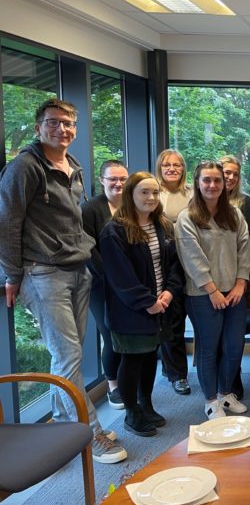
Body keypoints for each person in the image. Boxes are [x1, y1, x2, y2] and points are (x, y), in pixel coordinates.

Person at [0, 98, 126, 463]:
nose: (63, 129)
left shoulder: (73, 165)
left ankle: (60, 425)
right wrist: (12, 275)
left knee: (66, 358)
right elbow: (7, 223)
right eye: (54, 122)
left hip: (77, 270)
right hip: (43, 274)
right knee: (68, 356)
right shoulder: (24, 167)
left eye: (69, 123)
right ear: (39, 126)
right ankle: (91, 435)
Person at [100, 172, 183, 437]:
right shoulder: (114, 230)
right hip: (131, 310)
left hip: (161, 305)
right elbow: (119, 276)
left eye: (155, 193)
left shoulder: (162, 225)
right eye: (144, 192)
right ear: (131, 195)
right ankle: (131, 413)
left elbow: (172, 265)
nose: (151, 197)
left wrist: (169, 293)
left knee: (150, 358)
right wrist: (147, 302)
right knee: (133, 359)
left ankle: (146, 405)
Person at [176, 161, 250, 420]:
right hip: (202, 296)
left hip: (234, 293)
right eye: (206, 180)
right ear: (197, 183)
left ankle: (225, 394)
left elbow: (245, 249)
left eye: (217, 180)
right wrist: (211, 290)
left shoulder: (234, 214)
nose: (212, 185)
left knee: (234, 347)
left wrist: (241, 282)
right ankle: (210, 401)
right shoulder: (188, 218)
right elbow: (191, 258)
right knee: (209, 349)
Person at [82, 159, 128, 410]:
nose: (118, 183)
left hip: (130, 284)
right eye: (112, 179)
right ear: (102, 181)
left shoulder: (132, 206)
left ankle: (127, 381)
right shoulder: (91, 209)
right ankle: (112, 385)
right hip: (101, 284)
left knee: (127, 333)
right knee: (109, 334)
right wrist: (111, 277)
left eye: (122, 178)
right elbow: (88, 248)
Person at [155, 148, 192, 395]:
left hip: (193, 260)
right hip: (168, 264)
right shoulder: (154, 193)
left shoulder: (191, 192)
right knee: (173, 322)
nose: (171, 168)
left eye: (176, 164)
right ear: (160, 167)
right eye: (167, 164)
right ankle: (177, 374)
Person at [220, 154, 250, 399]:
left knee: (234, 333)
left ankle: (234, 376)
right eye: (226, 173)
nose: (230, 177)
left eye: (234, 173)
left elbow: (249, 242)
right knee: (215, 334)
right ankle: (217, 383)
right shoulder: (202, 203)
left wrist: (241, 279)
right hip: (209, 280)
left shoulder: (245, 202)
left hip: (238, 277)